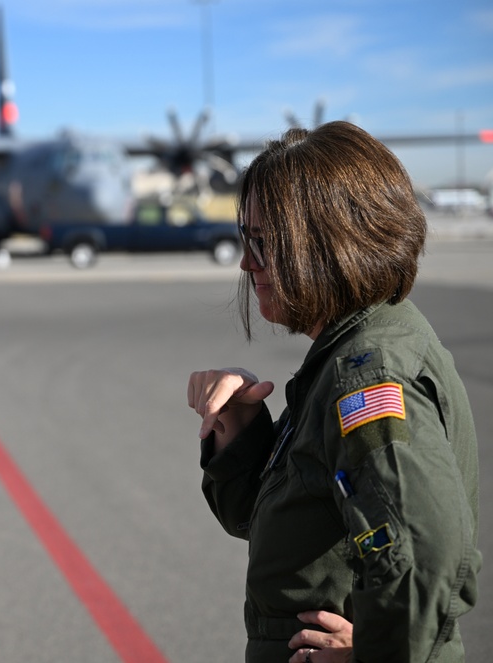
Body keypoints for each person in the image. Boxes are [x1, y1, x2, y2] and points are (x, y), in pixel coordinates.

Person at [186, 121, 480, 662]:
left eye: (263, 243)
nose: (248, 264)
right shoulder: (345, 356)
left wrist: (373, 653)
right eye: (245, 240)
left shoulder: (368, 376)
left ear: (330, 243)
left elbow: (426, 557)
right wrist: (241, 432)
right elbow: (284, 528)